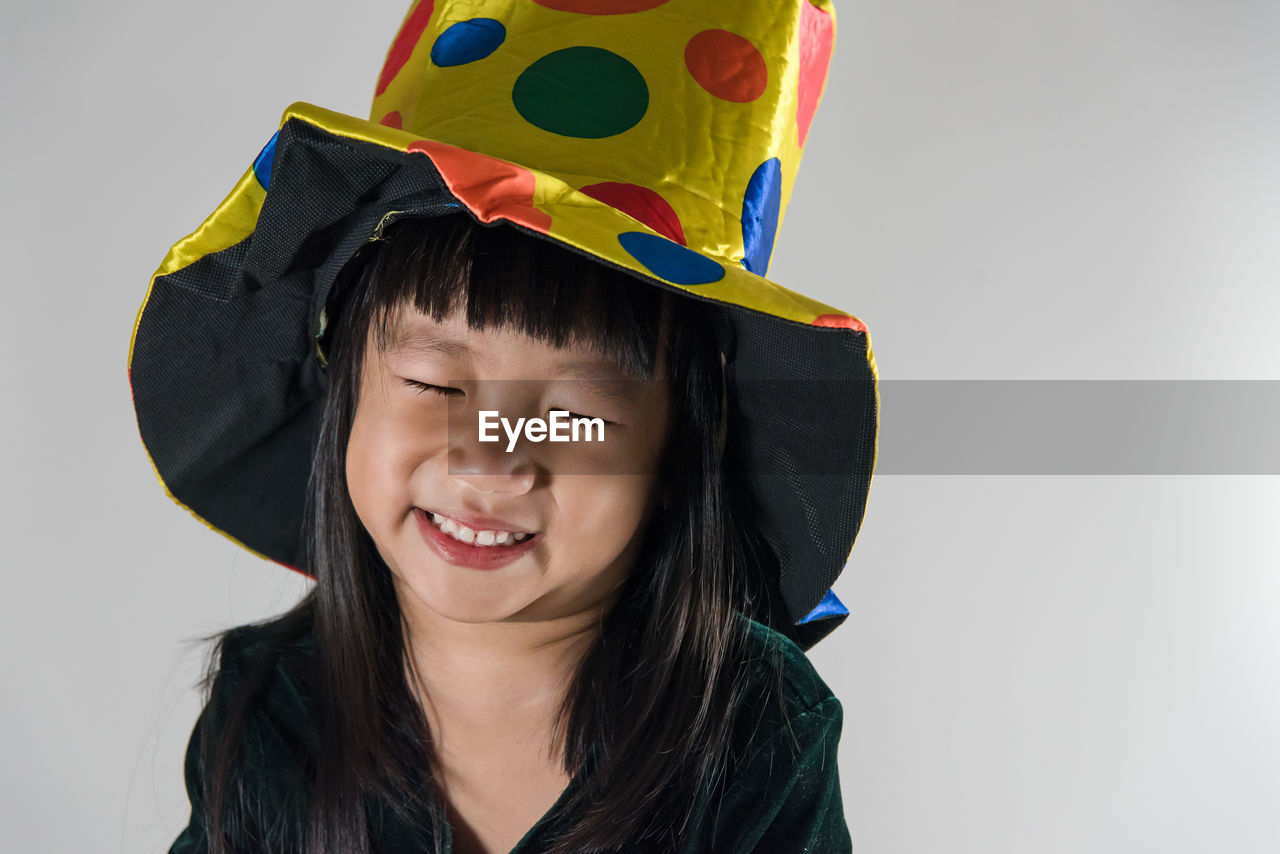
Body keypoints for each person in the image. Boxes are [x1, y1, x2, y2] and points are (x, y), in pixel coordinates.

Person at [128, 1, 878, 851]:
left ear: (677, 452)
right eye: (433, 382)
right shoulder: (270, 711)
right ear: (345, 398)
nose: (489, 463)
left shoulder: (754, 729)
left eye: (573, 416)